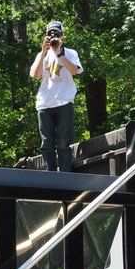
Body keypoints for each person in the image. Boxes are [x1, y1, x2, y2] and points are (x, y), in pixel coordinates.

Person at [28, 21, 83, 172]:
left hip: (64, 102)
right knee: (46, 143)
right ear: (46, 36)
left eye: (57, 34)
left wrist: (59, 53)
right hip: (45, 104)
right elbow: (35, 75)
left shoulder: (70, 53)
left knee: (63, 143)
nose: (53, 37)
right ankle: (50, 175)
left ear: (62, 36)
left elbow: (74, 71)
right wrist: (44, 51)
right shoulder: (42, 55)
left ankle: (64, 175)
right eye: (50, 34)